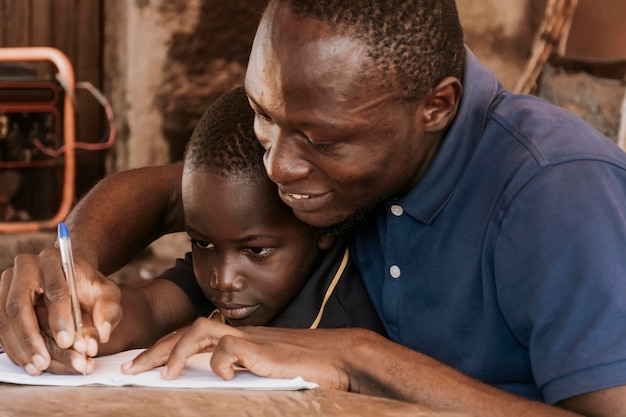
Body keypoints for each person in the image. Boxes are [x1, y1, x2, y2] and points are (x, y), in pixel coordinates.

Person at [1, 0, 626, 415]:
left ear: (435, 107)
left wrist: (357, 356)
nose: (278, 167)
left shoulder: (555, 192)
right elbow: (173, 191)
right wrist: (71, 269)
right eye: (262, 116)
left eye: (323, 141)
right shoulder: (335, 147)